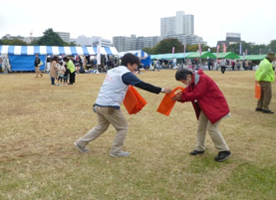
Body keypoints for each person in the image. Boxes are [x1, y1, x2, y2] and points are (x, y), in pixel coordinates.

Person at [74, 53, 172, 157]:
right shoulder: (126, 74)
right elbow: (143, 85)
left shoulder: (112, 71)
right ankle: (116, 151)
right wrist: (162, 90)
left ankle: (81, 143)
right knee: (122, 127)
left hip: (99, 104)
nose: (136, 68)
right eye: (135, 66)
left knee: (101, 127)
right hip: (110, 106)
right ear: (129, 64)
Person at [173, 69, 231, 162]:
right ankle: (199, 148)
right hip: (207, 107)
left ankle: (224, 150)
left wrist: (182, 97)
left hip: (216, 107)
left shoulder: (203, 79)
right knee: (201, 127)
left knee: (212, 129)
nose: (184, 83)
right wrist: (180, 95)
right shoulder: (193, 81)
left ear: (188, 76)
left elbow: (196, 94)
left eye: (183, 81)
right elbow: (187, 91)